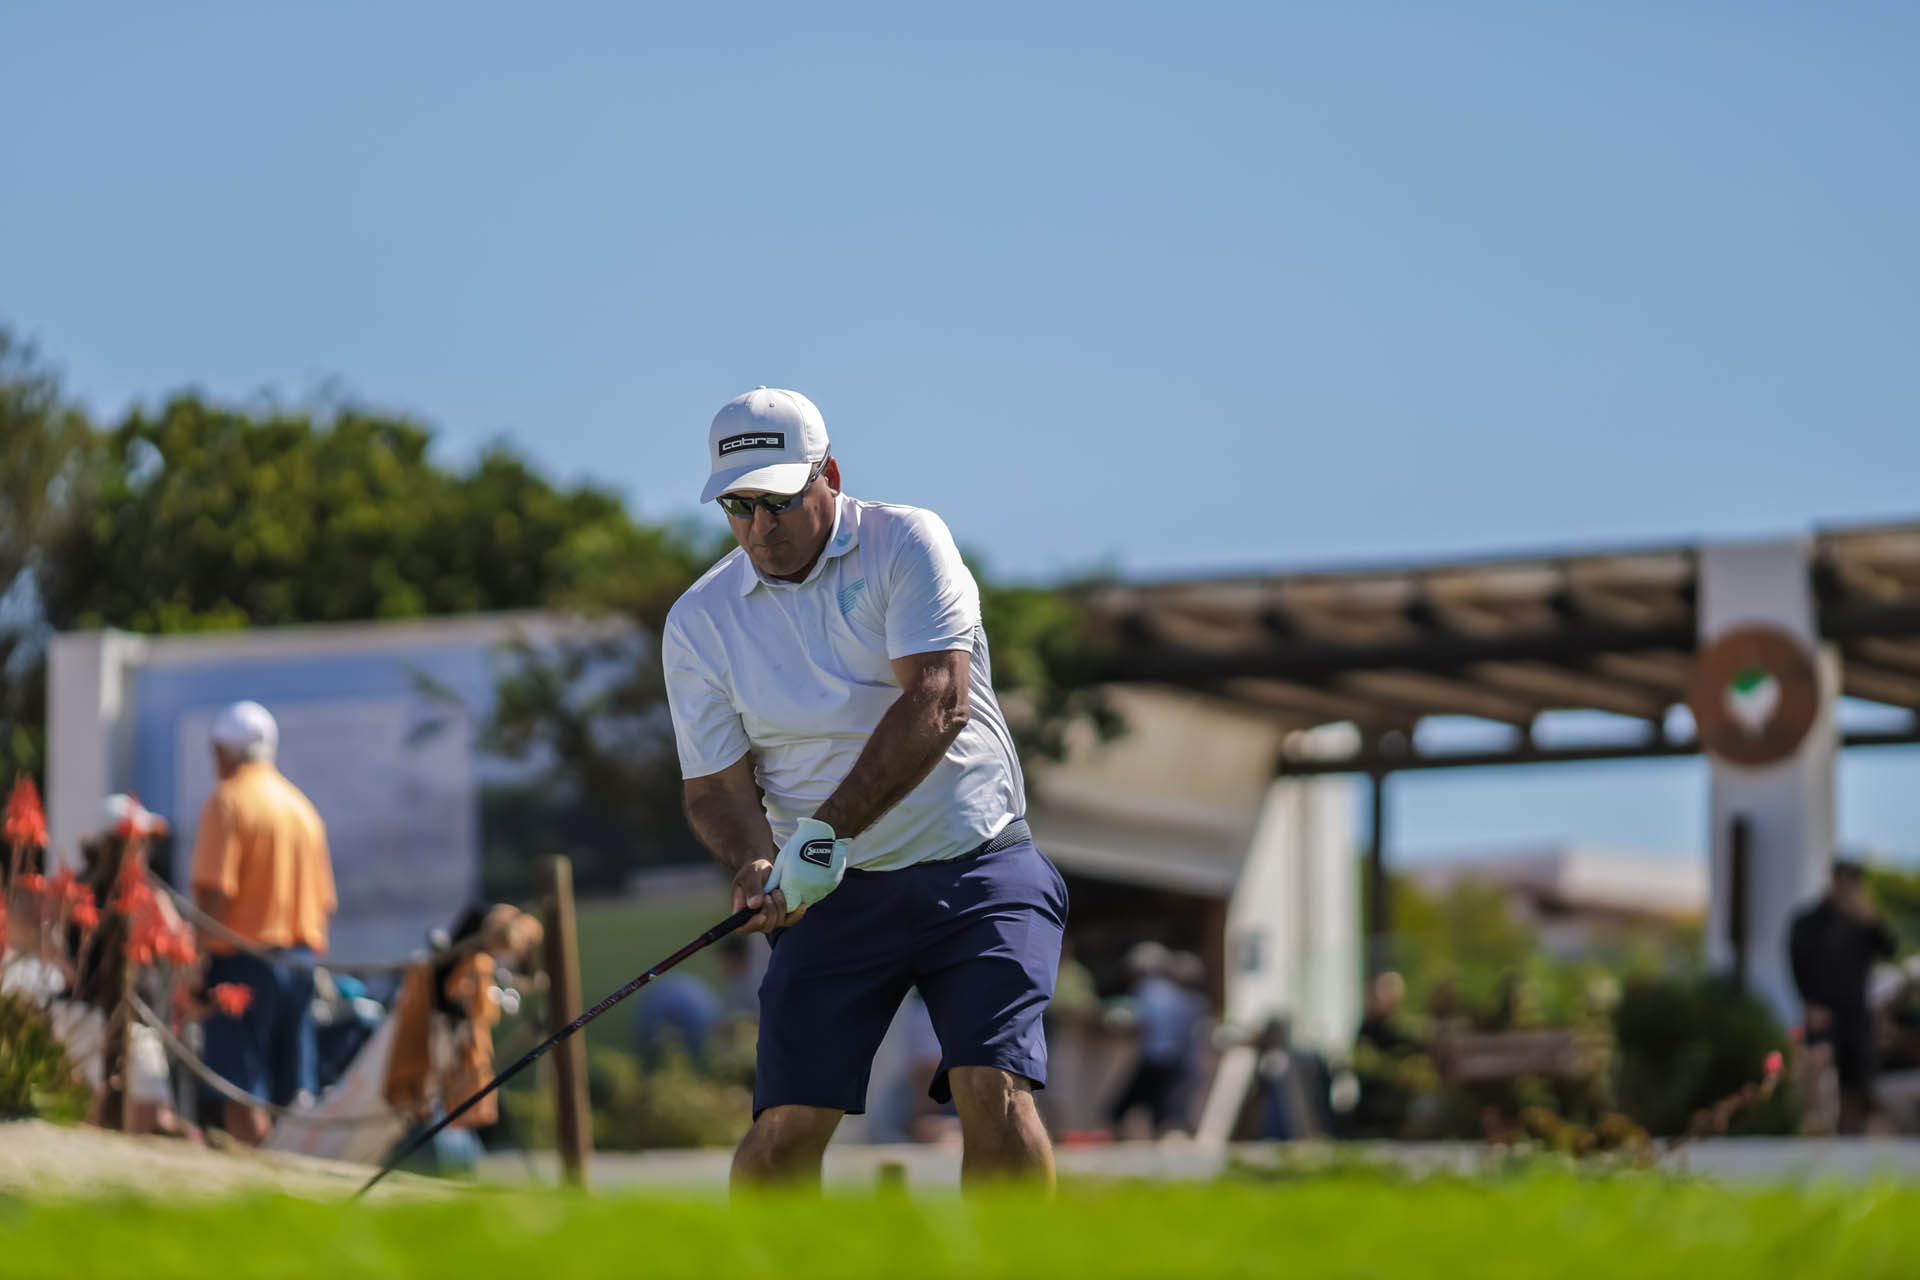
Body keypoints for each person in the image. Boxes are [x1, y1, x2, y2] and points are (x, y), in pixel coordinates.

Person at [661, 387, 1066, 1189]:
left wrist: (822, 836)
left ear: (831, 477)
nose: (760, 527)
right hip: (832, 897)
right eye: (739, 506)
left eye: (779, 501)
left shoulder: (905, 540)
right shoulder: (699, 619)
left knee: (993, 1088)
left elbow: (939, 699)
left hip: (977, 866)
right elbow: (715, 786)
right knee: (784, 1130)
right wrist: (753, 860)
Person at [188, 700, 337, 1145]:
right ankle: (290, 1174)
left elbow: (217, 894)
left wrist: (194, 957)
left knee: (241, 1088)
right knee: (293, 1091)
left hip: (241, 962)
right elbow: (325, 901)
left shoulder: (228, 800)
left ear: (224, 751)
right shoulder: (301, 808)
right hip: (299, 961)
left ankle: (260, 1178)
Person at [1790, 859, 1898, 1135]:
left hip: (1855, 1011)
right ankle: (1813, 1124)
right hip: (1823, 1009)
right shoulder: (1810, 921)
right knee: (1816, 1060)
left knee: (1855, 1079)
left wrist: (1871, 918)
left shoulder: (1863, 923)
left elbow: (1889, 948)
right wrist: (1809, 1000)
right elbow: (1797, 961)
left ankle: (1850, 1135)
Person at [1105, 941, 1200, 1136]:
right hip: (1175, 1058)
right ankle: (1164, 1133)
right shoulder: (1177, 993)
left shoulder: (1145, 989)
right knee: (1162, 1105)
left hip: (1152, 1056)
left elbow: (1137, 1020)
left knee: (1122, 1107)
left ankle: (1118, 1133)